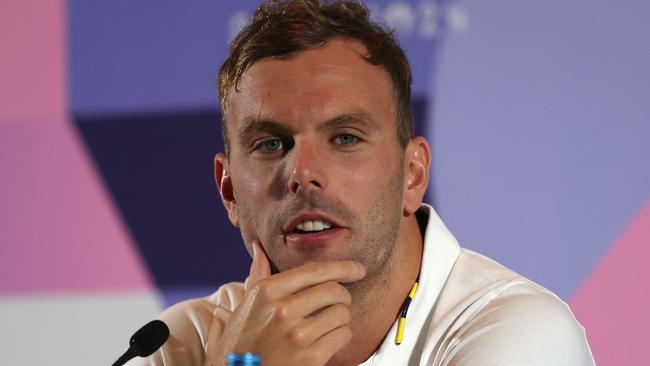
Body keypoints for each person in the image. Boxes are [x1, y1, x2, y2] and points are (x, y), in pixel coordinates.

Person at [128, 1, 594, 365]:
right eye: (271, 144)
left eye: (345, 137)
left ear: (413, 175)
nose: (303, 173)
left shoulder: (517, 332)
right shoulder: (179, 344)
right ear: (228, 191)